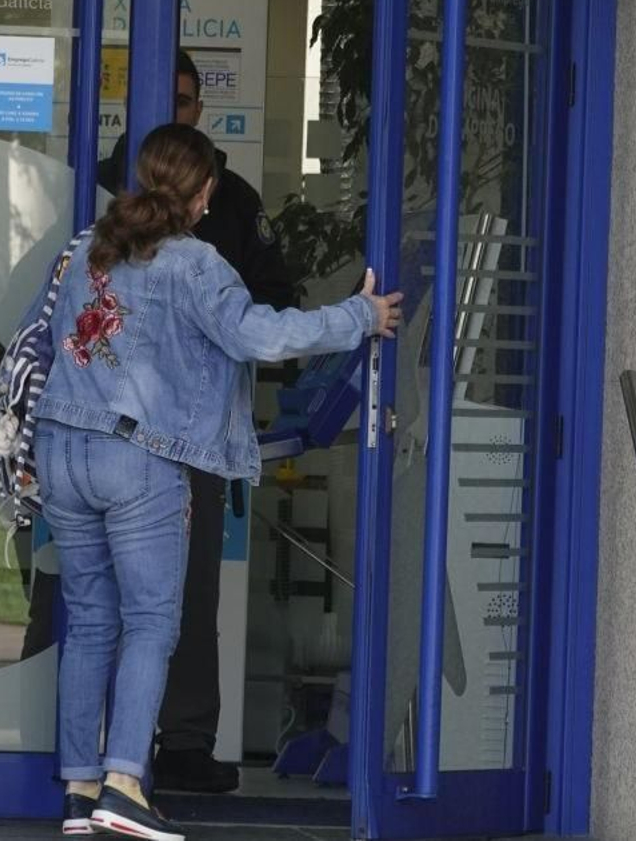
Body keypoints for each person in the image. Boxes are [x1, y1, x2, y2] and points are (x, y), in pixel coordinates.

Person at [39, 123, 401, 840]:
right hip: (138, 455)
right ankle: (123, 785)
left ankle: (81, 788)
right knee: (149, 622)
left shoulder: (87, 250)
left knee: (89, 620)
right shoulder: (194, 262)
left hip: (62, 448)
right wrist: (363, 315)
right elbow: (260, 336)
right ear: (203, 194)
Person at [96, 50, 290, 794]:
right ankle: (96, 755)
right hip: (110, 432)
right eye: (164, 99)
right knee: (95, 595)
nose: (175, 110)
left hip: (190, 438)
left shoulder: (232, 204)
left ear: (199, 110)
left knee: (187, 595)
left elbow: (272, 301)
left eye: (184, 99)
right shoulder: (110, 203)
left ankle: (177, 742)